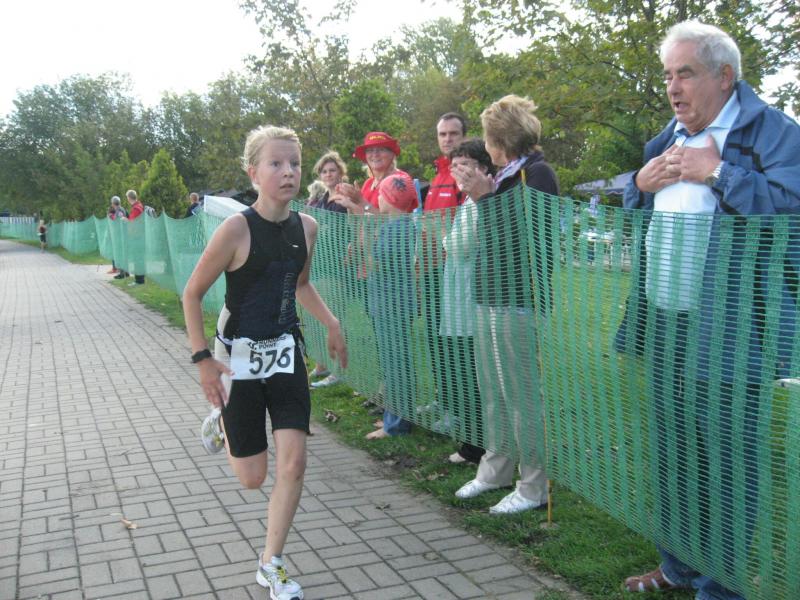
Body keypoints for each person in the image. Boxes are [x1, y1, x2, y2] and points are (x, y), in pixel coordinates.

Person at [618, 21, 800, 600]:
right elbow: (637, 217)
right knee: (673, 451)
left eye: (686, 74)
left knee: (727, 461)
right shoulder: (663, 140)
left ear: (725, 77)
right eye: (668, 75)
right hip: (664, 321)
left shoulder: (773, 133)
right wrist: (638, 186)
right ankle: (678, 566)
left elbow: (793, 211)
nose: (673, 88)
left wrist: (719, 172)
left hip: (734, 327)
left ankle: (721, 587)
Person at [183, 125, 347, 600]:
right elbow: (192, 294)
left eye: (294, 163)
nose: (288, 172)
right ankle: (223, 420)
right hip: (236, 357)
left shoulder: (307, 227)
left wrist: (331, 322)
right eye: (276, 163)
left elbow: (300, 284)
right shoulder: (236, 229)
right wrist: (203, 361)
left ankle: (270, 562)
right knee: (252, 478)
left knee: (294, 462)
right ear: (254, 173)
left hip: (285, 352)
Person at [450, 94, 559, 514]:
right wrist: (483, 195)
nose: (485, 144)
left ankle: (533, 486)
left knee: (521, 395)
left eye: (488, 136)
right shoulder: (502, 176)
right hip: (490, 295)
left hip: (519, 300)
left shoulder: (537, 174)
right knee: (493, 388)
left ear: (502, 138)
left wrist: (484, 199)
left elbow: (523, 240)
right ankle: (495, 469)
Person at [334, 171, 418, 440]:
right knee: (394, 362)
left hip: (392, 304)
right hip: (389, 303)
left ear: (390, 198)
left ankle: (397, 424)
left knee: (396, 364)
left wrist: (364, 225)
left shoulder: (397, 228)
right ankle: (394, 417)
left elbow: (375, 264)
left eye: (381, 194)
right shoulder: (398, 224)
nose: (377, 199)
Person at [439, 138, 493, 465]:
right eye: (454, 165)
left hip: (470, 301)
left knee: (474, 373)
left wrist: (444, 238)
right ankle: (472, 437)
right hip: (458, 296)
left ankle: (477, 444)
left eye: (465, 165)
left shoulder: (476, 203)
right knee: (464, 369)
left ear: (482, 168)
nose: (458, 171)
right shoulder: (468, 202)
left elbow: (459, 246)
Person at [419, 113, 467, 435]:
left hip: (454, 270)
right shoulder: (439, 174)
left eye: (453, 133)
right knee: (436, 339)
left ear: (464, 136)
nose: (447, 139)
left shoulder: (463, 173)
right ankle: (444, 398)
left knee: (455, 344)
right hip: (431, 270)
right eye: (442, 134)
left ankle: (460, 409)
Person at [307, 151, 349, 388]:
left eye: (332, 170)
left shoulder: (344, 196)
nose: (328, 174)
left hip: (338, 266)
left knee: (335, 316)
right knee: (318, 316)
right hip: (320, 264)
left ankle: (338, 370)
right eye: (324, 171)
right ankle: (322, 363)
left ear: (340, 172)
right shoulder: (321, 199)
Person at [334, 131, 404, 211]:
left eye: (381, 149)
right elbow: (361, 217)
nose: (375, 154)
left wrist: (360, 201)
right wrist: (350, 203)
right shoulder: (368, 183)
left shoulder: (399, 181)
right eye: (370, 150)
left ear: (392, 154)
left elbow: (393, 218)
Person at [116, 190, 146, 285]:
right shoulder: (139, 206)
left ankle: (139, 280)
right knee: (138, 258)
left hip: (137, 237)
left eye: (127, 198)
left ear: (129, 198)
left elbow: (132, 223)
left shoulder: (136, 208)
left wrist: (125, 219)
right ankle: (139, 279)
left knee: (138, 259)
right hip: (139, 236)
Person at [108, 196, 127, 275]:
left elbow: (117, 219)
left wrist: (110, 215)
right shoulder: (120, 209)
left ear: (113, 203)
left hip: (120, 235)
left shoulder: (119, 210)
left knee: (119, 252)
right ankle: (119, 269)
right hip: (119, 234)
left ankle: (121, 271)